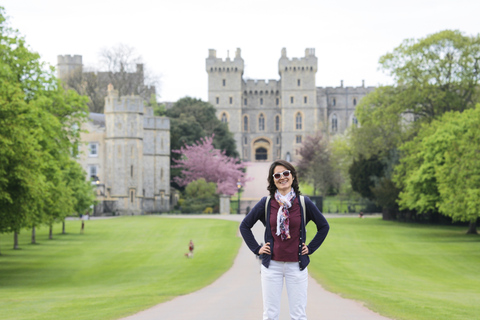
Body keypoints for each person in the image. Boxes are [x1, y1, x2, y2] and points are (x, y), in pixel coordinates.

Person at [240, 160, 329, 320]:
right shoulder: (266, 203)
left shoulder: (303, 203)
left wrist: (310, 248)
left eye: (286, 173)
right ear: (273, 179)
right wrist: (257, 249)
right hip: (272, 266)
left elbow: (324, 226)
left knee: (298, 315)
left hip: (297, 266)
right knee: (270, 315)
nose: (282, 177)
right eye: (277, 175)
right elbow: (245, 226)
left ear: (293, 176)